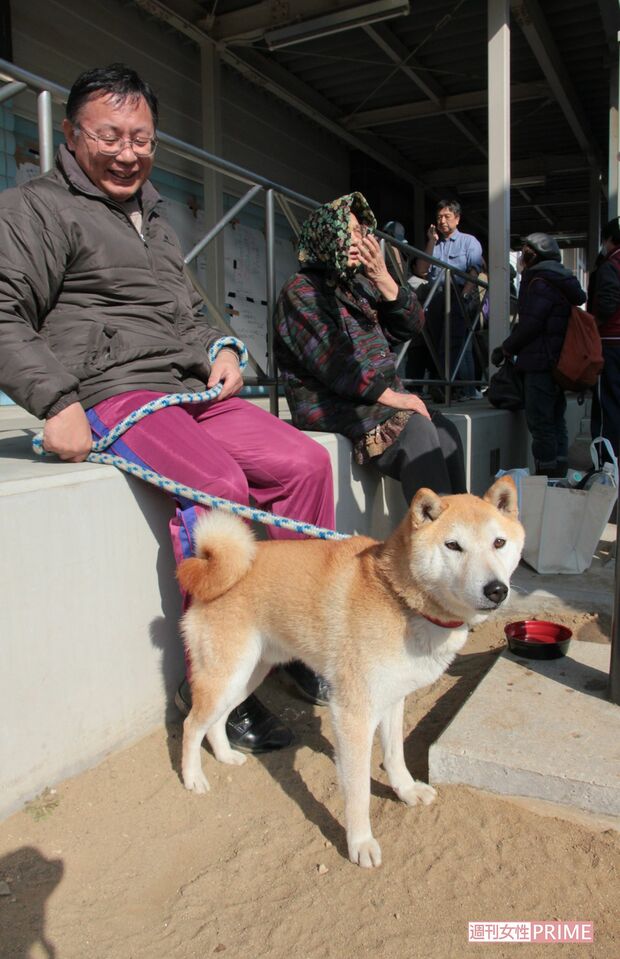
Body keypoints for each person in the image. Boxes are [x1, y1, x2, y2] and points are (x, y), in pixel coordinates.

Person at [0, 63, 335, 752]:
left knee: (304, 462)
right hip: (114, 390)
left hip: (189, 387)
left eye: (143, 138)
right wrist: (54, 401)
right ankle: (213, 676)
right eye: (110, 136)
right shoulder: (33, 207)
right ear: (70, 135)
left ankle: (297, 640)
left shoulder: (155, 216)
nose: (128, 153)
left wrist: (222, 346)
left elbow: (184, 310)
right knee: (218, 486)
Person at [274, 193, 466, 504]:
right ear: (326, 234)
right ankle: (436, 542)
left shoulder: (359, 284)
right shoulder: (301, 290)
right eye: (346, 231)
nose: (357, 239)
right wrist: (396, 398)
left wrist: (384, 278)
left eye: (361, 231)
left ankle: (463, 530)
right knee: (417, 433)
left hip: (372, 397)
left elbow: (412, 326)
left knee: (446, 432)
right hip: (332, 401)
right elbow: (335, 362)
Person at [491, 232, 587, 478]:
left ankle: (545, 479)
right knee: (557, 421)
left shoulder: (539, 282)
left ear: (534, 255)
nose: (521, 256)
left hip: (539, 363)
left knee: (541, 424)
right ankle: (559, 474)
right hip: (557, 365)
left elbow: (531, 324)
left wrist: (507, 348)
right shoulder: (559, 280)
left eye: (524, 251)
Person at [414, 199, 483, 398]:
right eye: (439, 217)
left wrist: (464, 295)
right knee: (439, 343)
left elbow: (474, 270)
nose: (442, 221)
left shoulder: (469, 241)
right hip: (436, 298)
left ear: (457, 219)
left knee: (454, 342)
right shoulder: (435, 244)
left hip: (458, 295)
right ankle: (462, 388)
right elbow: (421, 269)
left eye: (447, 216)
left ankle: (452, 388)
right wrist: (431, 241)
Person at [590, 218, 620, 462]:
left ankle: (607, 463)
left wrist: (593, 326)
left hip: (611, 343)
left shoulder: (611, 265)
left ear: (610, 241)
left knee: (608, 406)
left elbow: (607, 303)